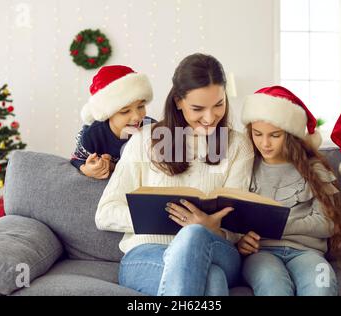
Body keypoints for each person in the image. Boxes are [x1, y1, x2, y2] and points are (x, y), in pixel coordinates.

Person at [95, 53, 254, 296]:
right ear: (179, 101)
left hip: (217, 250)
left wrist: (210, 228)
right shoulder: (144, 140)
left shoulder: (237, 146)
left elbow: (239, 223)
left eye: (219, 104)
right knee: (212, 280)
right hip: (148, 254)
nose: (210, 118)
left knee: (194, 234)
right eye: (198, 108)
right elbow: (105, 213)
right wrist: (168, 217)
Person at [239, 85, 341, 296]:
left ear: (290, 135)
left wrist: (273, 224)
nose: (265, 143)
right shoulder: (246, 167)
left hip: (308, 253)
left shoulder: (315, 169)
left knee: (321, 287)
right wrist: (240, 240)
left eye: (275, 135)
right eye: (257, 134)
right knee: (273, 287)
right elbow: (237, 220)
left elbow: (328, 224)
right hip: (261, 254)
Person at [70, 65, 155, 179]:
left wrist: (112, 166)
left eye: (140, 107)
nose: (136, 117)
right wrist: (86, 168)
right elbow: (76, 159)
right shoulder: (93, 135)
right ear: (107, 114)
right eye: (125, 111)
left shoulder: (152, 129)